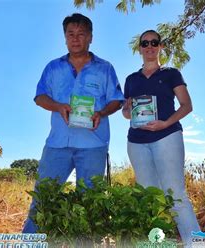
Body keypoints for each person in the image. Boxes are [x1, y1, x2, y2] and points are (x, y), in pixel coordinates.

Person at [23, 13, 124, 233]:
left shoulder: (105, 68)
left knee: (90, 203)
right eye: (71, 34)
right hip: (57, 144)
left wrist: (101, 112)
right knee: (42, 198)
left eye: (81, 34)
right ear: (65, 38)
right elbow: (40, 97)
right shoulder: (53, 68)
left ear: (90, 38)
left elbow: (117, 100)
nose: (75, 39)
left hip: (93, 145)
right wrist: (58, 106)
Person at [122, 30, 201, 244]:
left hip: (167, 136)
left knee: (176, 195)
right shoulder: (131, 79)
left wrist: (165, 123)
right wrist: (127, 109)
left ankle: (195, 243)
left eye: (154, 42)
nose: (149, 46)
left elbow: (187, 105)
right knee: (148, 198)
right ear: (139, 48)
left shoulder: (171, 73)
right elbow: (127, 114)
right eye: (145, 43)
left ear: (160, 46)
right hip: (136, 142)